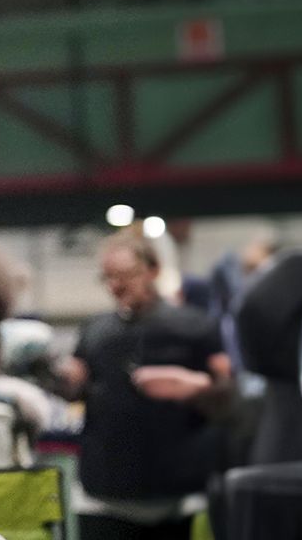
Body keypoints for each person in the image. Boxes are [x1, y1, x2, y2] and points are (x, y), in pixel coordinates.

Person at [57, 229, 233, 540]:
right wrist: (63, 380)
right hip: (106, 495)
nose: (116, 285)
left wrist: (197, 387)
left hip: (178, 497)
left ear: (153, 270)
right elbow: (76, 388)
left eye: (126, 275)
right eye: (108, 277)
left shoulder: (195, 326)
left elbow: (230, 394)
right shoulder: (94, 331)